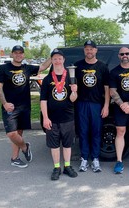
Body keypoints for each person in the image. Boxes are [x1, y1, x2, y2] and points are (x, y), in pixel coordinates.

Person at [0, 45, 51, 168]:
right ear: (11, 54)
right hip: (10, 107)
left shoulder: (27, 68)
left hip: (24, 106)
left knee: (19, 132)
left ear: (23, 55)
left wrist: (52, 56)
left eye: (21, 53)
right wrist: (4, 103)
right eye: (16, 53)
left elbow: (42, 67)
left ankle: (14, 158)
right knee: (11, 134)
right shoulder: (3, 69)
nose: (18, 55)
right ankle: (25, 147)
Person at [40, 48, 78, 180]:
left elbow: (73, 99)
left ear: (63, 60)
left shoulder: (71, 77)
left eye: (59, 58)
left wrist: (74, 91)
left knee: (67, 144)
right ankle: (57, 167)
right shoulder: (47, 79)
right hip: (52, 118)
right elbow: (43, 100)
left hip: (68, 117)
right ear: (51, 61)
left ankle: (67, 166)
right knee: (54, 145)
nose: (57, 61)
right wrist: (45, 118)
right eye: (54, 59)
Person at [74, 40, 110, 173]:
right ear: (84, 51)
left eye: (91, 49)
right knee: (83, 132)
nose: (89, 51)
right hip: (81, 103)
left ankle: (95, 159)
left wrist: (106, 106)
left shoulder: (102, 67)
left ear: (96, 50)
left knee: (96, 132)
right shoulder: (77, 66)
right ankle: (84, 158)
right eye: (87, 49)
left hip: (96, 104)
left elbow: (107, 89)